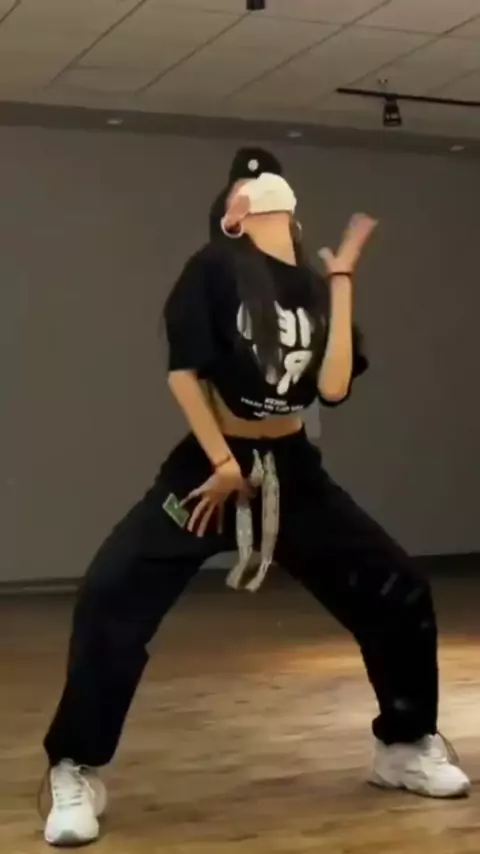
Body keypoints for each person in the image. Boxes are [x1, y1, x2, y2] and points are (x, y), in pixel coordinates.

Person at [41, 148, 469, 847]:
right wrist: (221, 461)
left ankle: (403, 744)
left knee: (398, 589)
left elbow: (334, 387)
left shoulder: (311, 287)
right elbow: (184, 372)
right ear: (231, 215)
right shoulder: (211, 272)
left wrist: (341, 280)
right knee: (111, 594)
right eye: (246, 192)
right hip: (209, 469)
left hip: (293, 472)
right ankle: (75, 765)